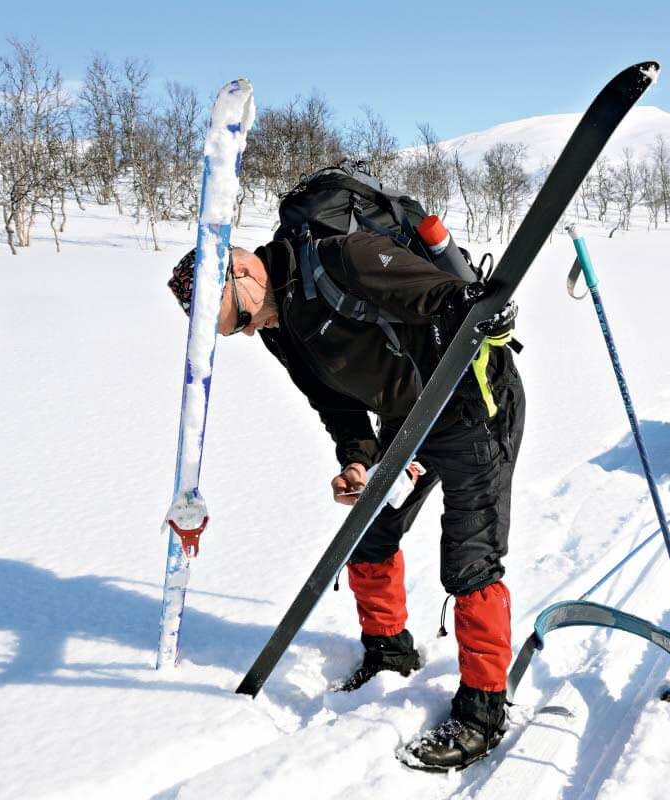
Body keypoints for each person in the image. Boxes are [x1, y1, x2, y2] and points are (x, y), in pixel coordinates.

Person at [168, 230, 524, 770]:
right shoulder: (281, 328)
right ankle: (388, 650)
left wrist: (483, 312)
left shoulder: (341, 260)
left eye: (239, 319)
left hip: (475, 407)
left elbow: (445, 297)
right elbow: (333, 403)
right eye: (235, 331)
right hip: (409, 423)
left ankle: (482, 710)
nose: (247, 331)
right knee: (368, 533)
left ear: (245, 269)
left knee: (469, 564)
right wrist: (357, 459)